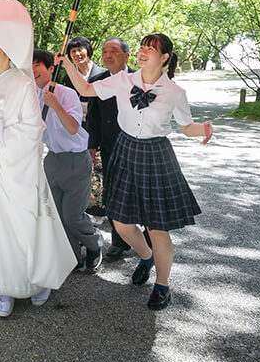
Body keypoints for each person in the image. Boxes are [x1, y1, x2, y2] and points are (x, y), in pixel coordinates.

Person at [64, 32, 211, 311]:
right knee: (120, 222)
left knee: (157, 228)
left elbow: (186, 127)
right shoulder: (122, 80)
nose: (143, 51)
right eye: (142, 46)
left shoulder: (175, 93)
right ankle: (146, 257)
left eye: (151, 49)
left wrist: (203, 130)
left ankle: (162, 285)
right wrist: (67, 63)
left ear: (164, 57)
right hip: (125, 149)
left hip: (156, 155)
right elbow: (85, 89)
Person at [0, 0, 74, 317]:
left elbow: (33, 129)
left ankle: (38, 281)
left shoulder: (23, 84)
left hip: (19, 170)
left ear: (9, 47)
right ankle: (4, 287)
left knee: (26, 226)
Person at [31, 49, 103, 272]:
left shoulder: (66, 93)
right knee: (59, 216)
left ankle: (94, 243)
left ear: (51, 68)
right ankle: (71, 256)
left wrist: (55, 105)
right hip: (52, 160)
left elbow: (73, 128)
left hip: (76, 161)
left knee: (73, 216)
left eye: (37, 65)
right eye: (29, 66)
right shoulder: (28, 96)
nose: (33, 71)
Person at [67, 38, 139, 258]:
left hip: (138, 146)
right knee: (114, 192)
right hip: (110, 145)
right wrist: (92, 145)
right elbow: (94, 118)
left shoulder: (140, 79)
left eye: (114, 51)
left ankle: (146, 236)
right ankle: (120, 242)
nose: (108, 55)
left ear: (127, 56)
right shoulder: (98, 80)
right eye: (105, 51)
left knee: (140, 192)